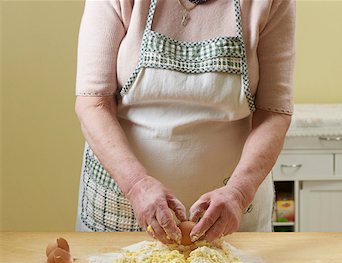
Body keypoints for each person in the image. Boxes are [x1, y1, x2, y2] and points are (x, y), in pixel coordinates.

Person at [75, 0, 295, 244]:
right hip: (124, 203)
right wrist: (136, 185)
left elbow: (274, 112)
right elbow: (93, 103)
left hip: (230, 212)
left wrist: (239, 192)